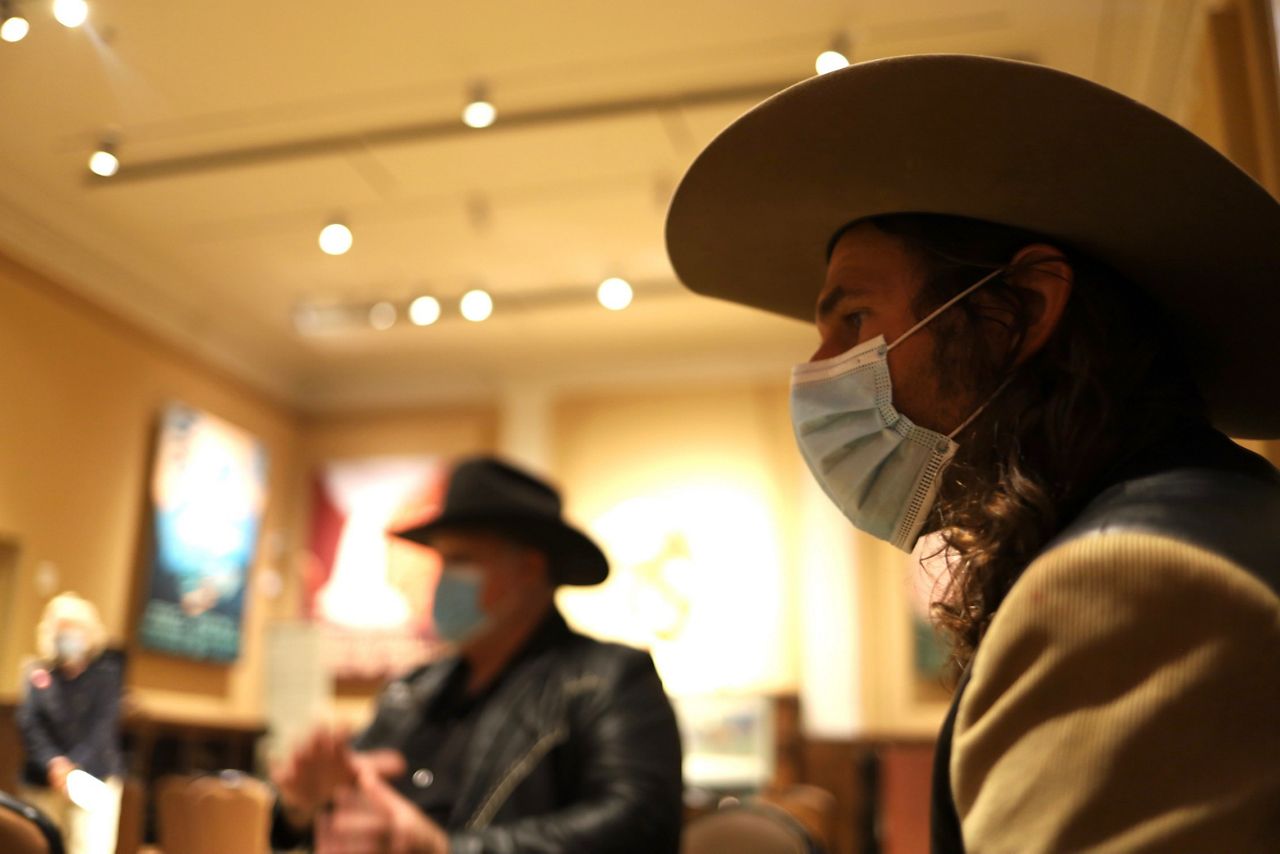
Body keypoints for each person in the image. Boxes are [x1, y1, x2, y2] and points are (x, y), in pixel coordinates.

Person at [666, 55, 1280, 851]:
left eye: (854, 320)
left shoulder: (1127, 581)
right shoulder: (1224, 504)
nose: (818, 370)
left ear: (1016, 309)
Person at [271, 455, 684, 853]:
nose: (442, 581)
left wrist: (444, 849)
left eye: (460, 560)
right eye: (441, 561)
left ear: (528, 570)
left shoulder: (606, 680)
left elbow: (639, 825)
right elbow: (351, 807)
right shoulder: (411, 690)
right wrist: (303, 808)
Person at [16, 592, 124, 854]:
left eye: (74, 630)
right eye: (61, 631)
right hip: (44, 780)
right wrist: (54, 764)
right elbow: (29, 723)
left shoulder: (106, 676)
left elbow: (102, 728)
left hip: (93, 777)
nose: (68, 638)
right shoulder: (38, 674)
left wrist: (73, 767)